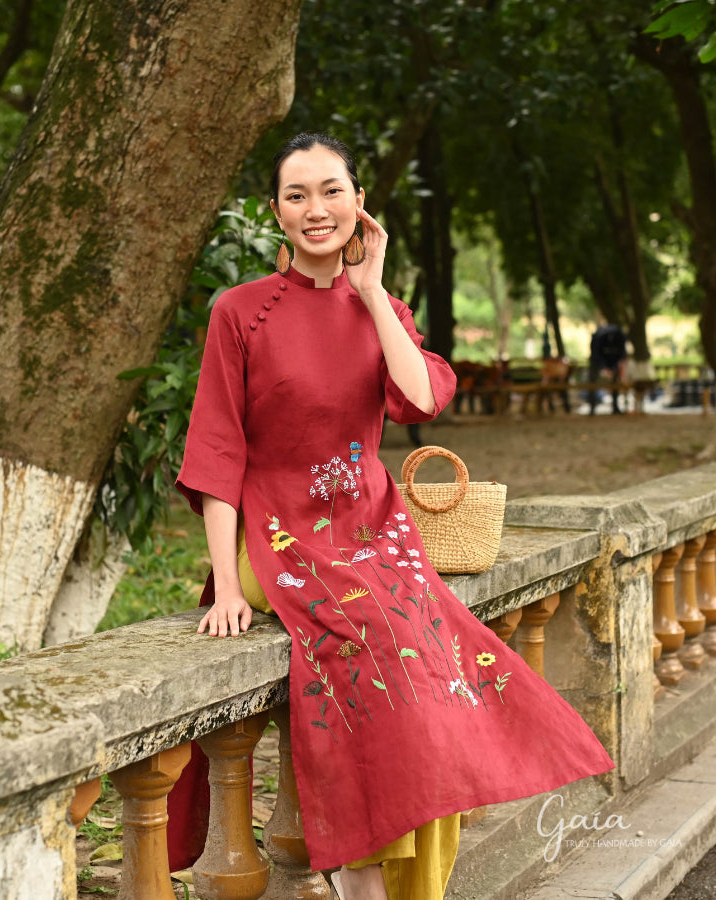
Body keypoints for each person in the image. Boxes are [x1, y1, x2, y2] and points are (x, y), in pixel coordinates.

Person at [167, 132, 614, 900]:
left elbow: (421, 398)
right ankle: (358, 872)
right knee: (373, 632)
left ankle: (412, 884)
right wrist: (229, 587)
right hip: (275, 536)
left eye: (332, 190)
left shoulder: (385, 309)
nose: (317, 209)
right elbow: (217, 452)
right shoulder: (241, 313)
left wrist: (372, 293)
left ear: (359, 203)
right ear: (275, 212)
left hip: (374, 531)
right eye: (297, 195)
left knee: (437, 660)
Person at [588, 319, 628, 415]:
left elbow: (622, 354)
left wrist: (614, 367)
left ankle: (615, 407)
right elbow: (596, 355)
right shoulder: (599, 337)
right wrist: (604, 367)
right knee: (592, 382)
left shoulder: (620, 337)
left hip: (613, 361)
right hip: (597, 362)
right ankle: (592, 408)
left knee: (616, 383)